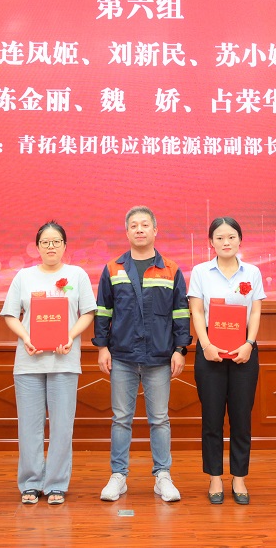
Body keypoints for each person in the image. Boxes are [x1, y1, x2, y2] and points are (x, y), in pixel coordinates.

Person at [93, 206, 191, 502]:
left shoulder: (171, 269)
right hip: (122, 356)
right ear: (127, 232)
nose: (139, 229)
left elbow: (181, 312)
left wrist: (180, 349)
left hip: (159, 357)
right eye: (133, 225)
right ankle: (118, 476)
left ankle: (163, 476)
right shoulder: (113, 268)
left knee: (159, 419)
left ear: (155, 230)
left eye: (145, 224)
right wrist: (102, 347)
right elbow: (103, 310)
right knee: (121, 419)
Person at [1, 222, 97, 505]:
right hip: (29, 362)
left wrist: (70, 336)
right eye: (45, 242)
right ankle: (31, 483)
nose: (51, 246)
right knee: (29, 427)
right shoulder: (24, 276)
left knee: (62, 427)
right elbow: (10, 314)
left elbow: (88, 313)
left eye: (56, 241)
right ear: (37, 247)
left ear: (65, 246)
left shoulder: (77, 274)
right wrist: (26, 337)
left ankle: (56, 483)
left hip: (64, 360)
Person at [188, 217, 265, 505]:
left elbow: (255, 311)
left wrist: (249, 344)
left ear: (240, 239)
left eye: (231, 236)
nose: (226, 242)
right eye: (219, 238)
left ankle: (240, 477)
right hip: (210, 349)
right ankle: (215, 477)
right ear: (211, 242)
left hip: (244, 348)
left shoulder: (252, 272)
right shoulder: (200, 272)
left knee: (241, 418)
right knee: (212, 418)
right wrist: (206, 345)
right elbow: (197, 311)